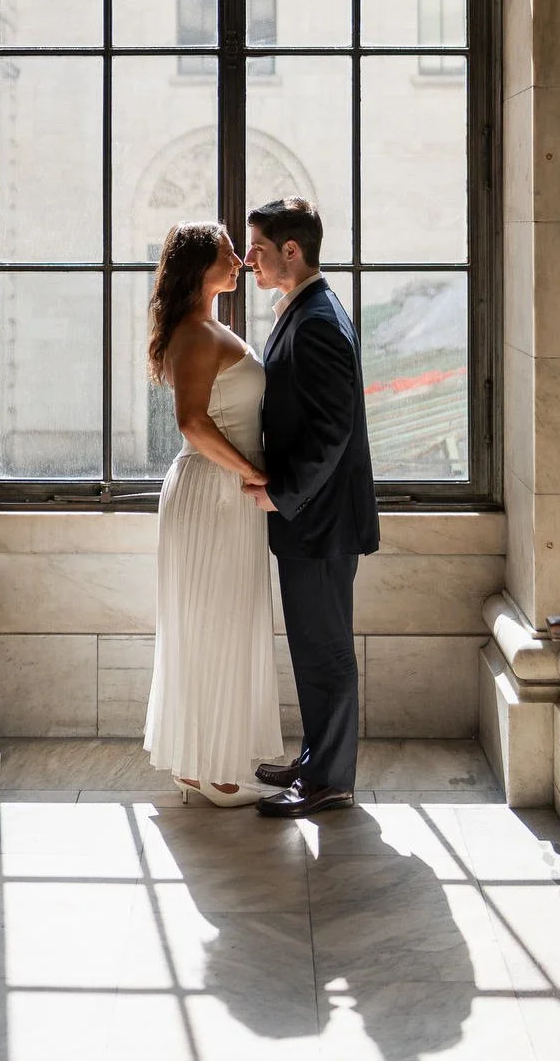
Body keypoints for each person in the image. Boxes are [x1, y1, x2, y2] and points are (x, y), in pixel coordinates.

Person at [242, 198, 379, 817]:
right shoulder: (306, 309)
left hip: (320, 523)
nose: (250, 262)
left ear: (290, 251)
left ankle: (330, 778)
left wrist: (281, 493)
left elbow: (332, 431)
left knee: (326, 650)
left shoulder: (320, 320)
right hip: (312, 522)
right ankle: (315, 757)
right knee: (311, 645)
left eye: (259, 250)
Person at [143, 222, 283, 805]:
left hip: (218, 492)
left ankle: (198, 766)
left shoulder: (202, 327)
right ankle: (218, 774)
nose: (241, 262)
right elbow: (192, 422)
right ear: (202, 267)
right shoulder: (197, 333)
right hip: (215, 492)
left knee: (212, 622)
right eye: (229, 254)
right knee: (216, 622)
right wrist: (250, 471)